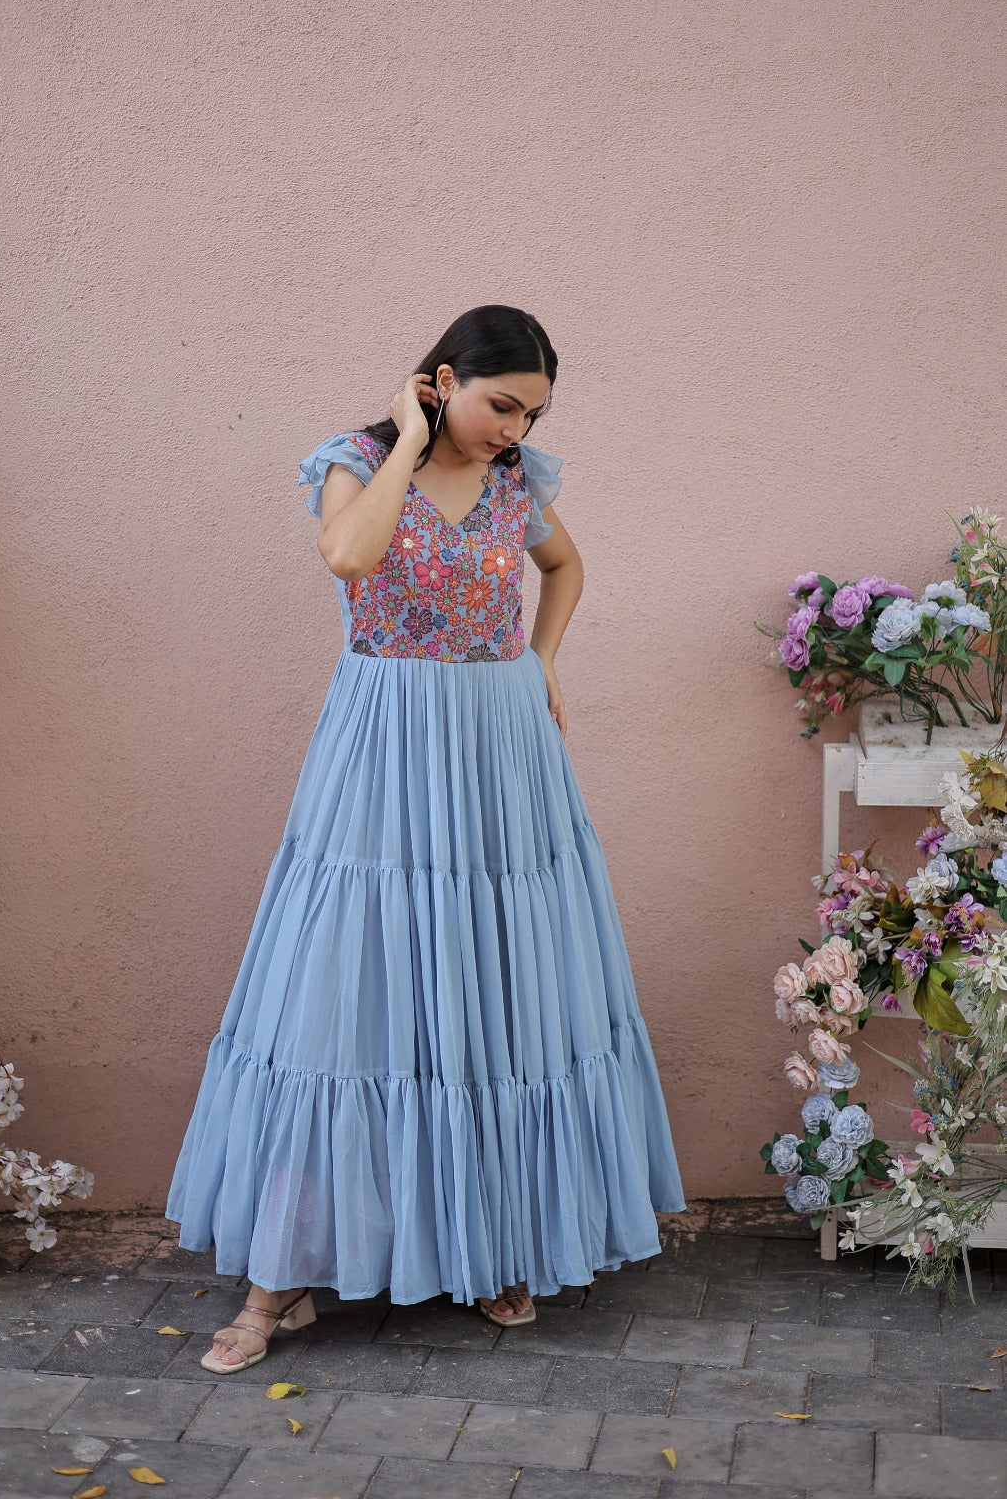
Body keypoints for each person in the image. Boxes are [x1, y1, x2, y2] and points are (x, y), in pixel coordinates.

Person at [165, 304, 685, 1373]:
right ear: (444, 378)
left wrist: (541, 661)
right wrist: (409, 433)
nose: (513, 428)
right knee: (341, 994)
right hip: (387, 744)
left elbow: (566, 569)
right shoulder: (356, 461)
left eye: (531, 412)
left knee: (500, 987)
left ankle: (499, 1246)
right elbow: (348, 558)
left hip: (500, 750)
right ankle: (282, 1277)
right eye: (501, 404)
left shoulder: (515, 485)